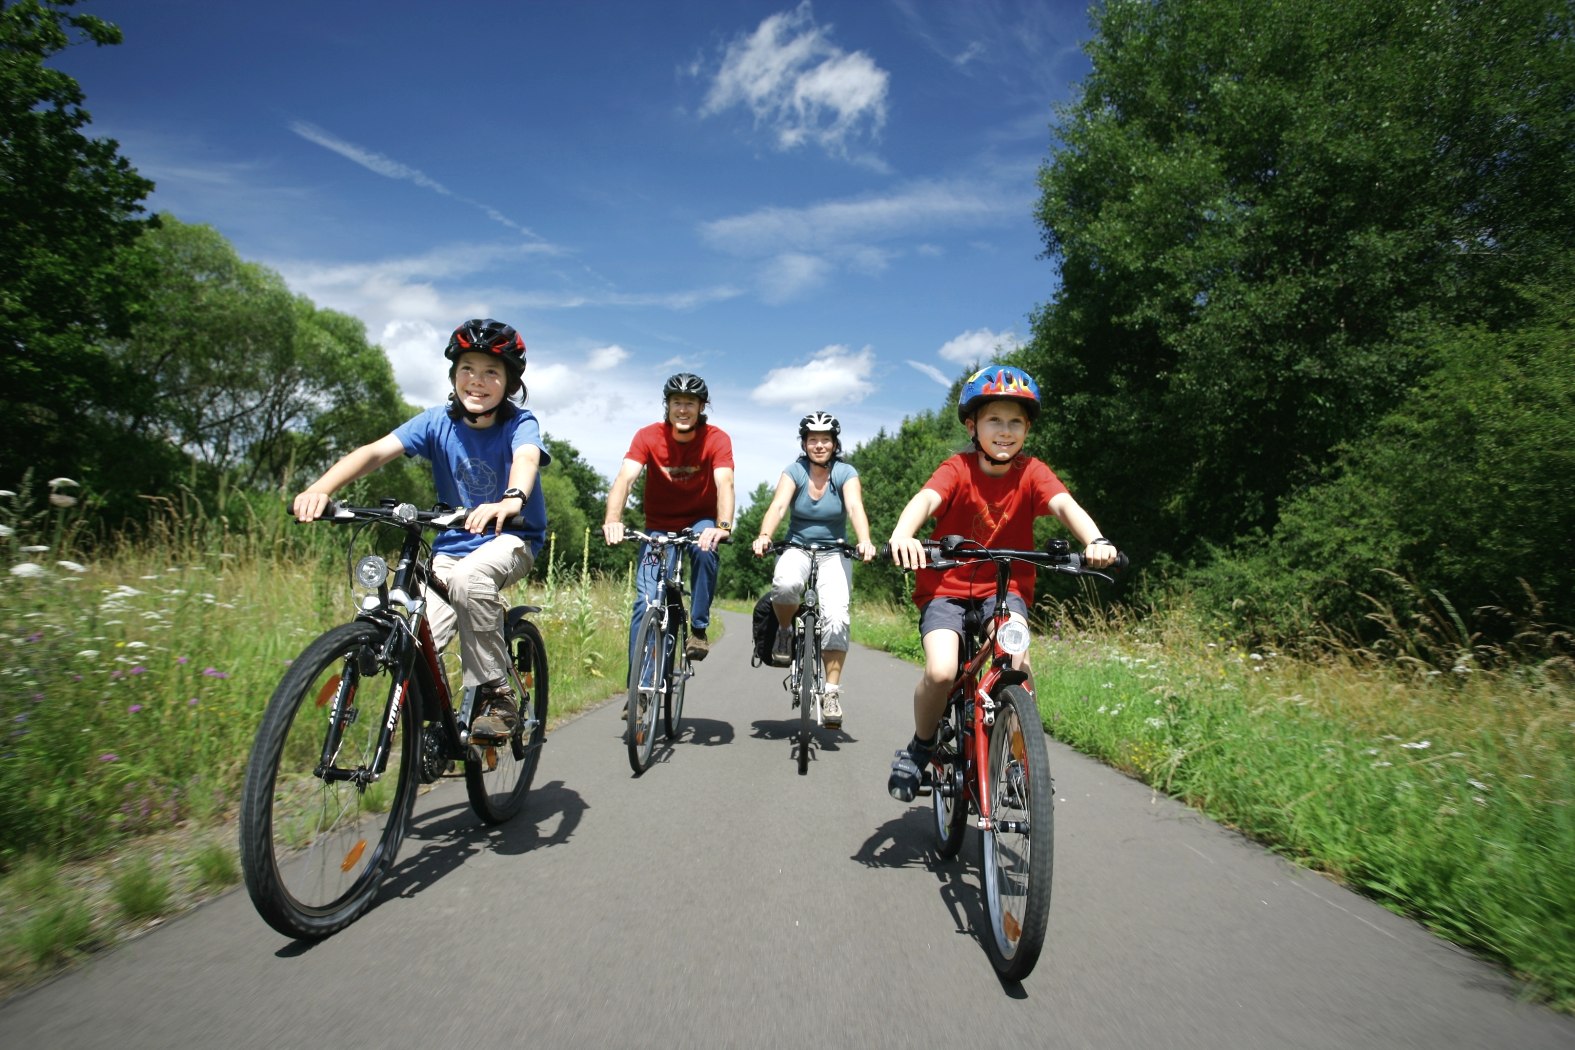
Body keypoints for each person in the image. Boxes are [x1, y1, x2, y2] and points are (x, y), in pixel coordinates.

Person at [292, 318, 549, 741]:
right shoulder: (435, 422)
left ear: (509, 383)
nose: (477, 381)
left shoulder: (520, 423)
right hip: (450, 547)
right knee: (413, 634)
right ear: (453, 375)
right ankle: (435, 732)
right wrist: (319, 490)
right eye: (467, 368)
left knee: (471, 580)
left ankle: (498, 695)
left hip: (513, 538)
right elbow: (375, 452)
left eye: (491, 372)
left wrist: (511, 499)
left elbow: (526, 459)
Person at [884, 364, 1117, 801]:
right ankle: (921, 745)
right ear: (973, 426)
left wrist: (1095, 540)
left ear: (1027, 429)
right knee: (941, 670)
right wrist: (903, 534)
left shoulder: (1032, 472)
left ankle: (1015, 764)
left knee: (1017, 663)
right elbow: (926, 499)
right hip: (945, 590)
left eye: (1016, 422)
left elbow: (1066, 506)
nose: (1005, 431)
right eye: (995, 420)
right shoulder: (957, 467)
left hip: (1004, 592)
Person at [750, 411, 877, 729]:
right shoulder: (795, 471)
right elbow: (779, 505)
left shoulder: (845, 472)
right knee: (785, 584)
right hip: (797, 546)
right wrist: (765, 535)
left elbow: (854, 507)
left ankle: (831, 692)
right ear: (804, 443)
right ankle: (783, 632)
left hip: (835, 551)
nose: (819, 445)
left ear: (835, 443)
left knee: (835, 617)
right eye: (812, 439)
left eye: (825, 439)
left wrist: (864, 541)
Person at [601, 372, 735, 663]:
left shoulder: (716, 439)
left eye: (690, 402)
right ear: (668, 405)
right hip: (658, 526)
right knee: (645, 603)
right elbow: (625, 478)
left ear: (702, 407)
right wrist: (613, 518)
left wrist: (722, 526)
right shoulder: (648, 436)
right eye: (677, 402)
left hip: (699, 519)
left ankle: (698, 628)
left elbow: (725, 482)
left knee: (705, 548)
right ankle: (641, 693)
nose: (683, 409)